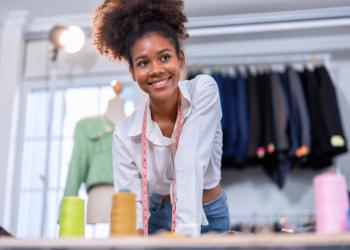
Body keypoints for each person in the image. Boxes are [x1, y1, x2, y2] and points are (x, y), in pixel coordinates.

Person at [92, 0, 230, 237]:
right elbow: (130, 199)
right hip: (157, 214)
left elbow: (189, 161)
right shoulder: (125, 132)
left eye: (164, 57)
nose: (155, 69)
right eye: (143, 63)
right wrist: (130, 235)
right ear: (133, 73)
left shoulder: (202, 91)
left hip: (207, 211)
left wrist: (184, 238)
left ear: (181, 59)